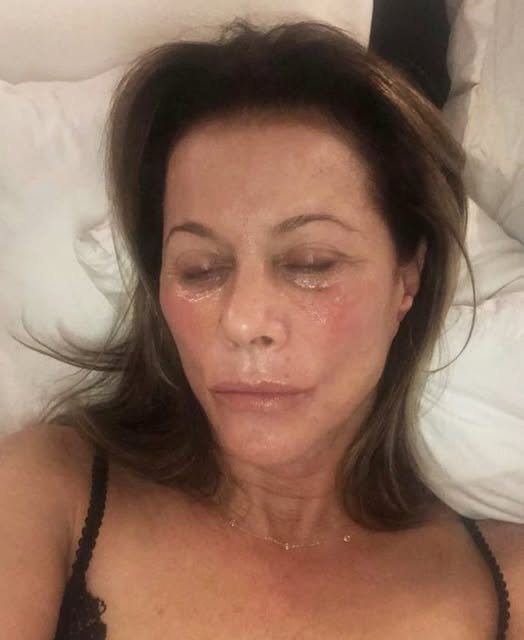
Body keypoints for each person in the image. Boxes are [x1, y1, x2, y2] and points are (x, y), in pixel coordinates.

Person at [1, 18, 522, 639]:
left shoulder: (505, 583)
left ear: (406, 280)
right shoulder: (46, 492)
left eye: (311, 264)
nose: (244, 321)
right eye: (200, 269)